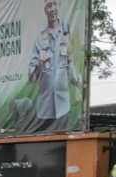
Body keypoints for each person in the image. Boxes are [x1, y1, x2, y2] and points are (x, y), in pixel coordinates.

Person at [29, 0, 81, 132]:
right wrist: (40, 64)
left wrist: (80, 84)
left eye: (54, 4)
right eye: (48, 6)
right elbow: (31, 78)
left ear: (59, 6)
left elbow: (70, 65)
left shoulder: (66, 35)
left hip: (63, 107)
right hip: (44, 111)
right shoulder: (39, 38)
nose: (52, 9)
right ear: (45, 10)